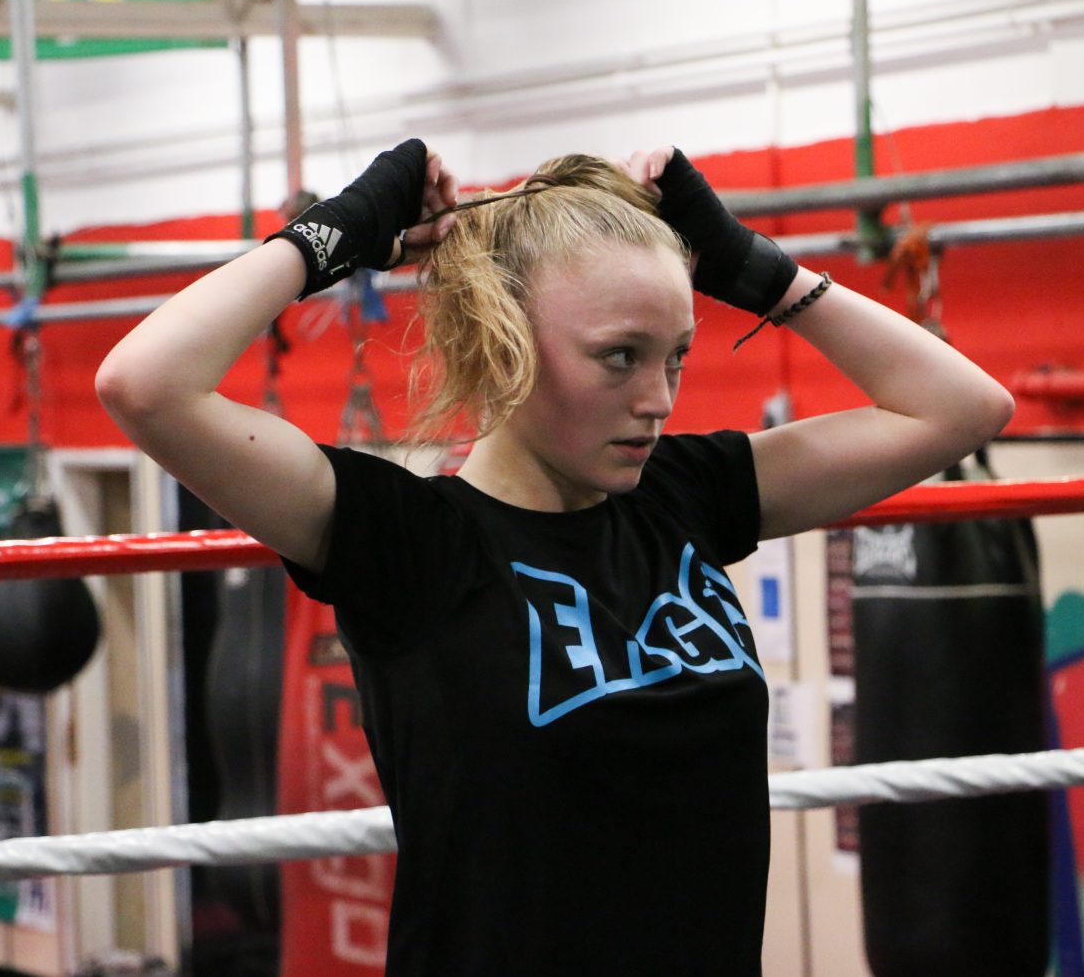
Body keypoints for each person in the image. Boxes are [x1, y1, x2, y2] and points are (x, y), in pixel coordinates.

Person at [96, 139, 1013, 975]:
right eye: (620, 357)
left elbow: (963, 409)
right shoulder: (412, 543)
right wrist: (334, 236)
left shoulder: (683, 495)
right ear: (505, 346)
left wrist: (755, 268)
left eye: (677, 357)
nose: (657, 399)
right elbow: (143, 384)